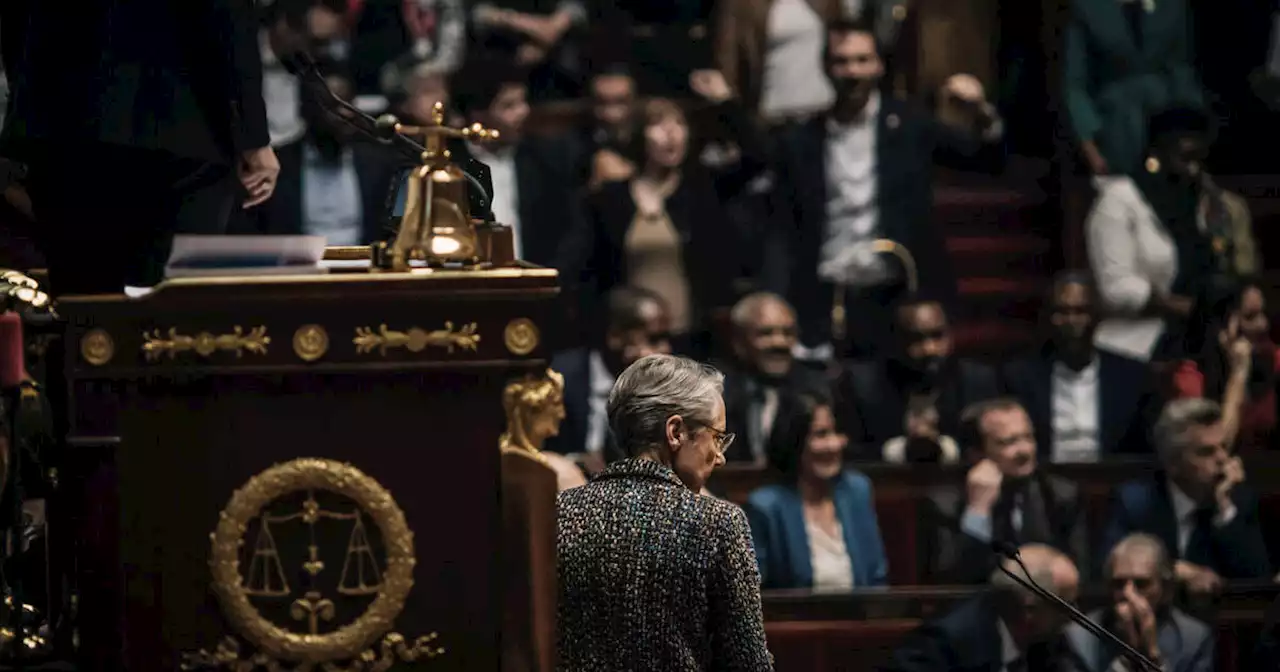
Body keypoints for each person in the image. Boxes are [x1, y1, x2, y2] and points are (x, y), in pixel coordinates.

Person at [1, 0, 279, 294]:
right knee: (172, 313)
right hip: (179, 120)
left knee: (84, 308)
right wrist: (252, 137)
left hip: (62, 119)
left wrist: (25, 100)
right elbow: (228, 13)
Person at [556, 354, 773, 670]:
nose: (720, 457)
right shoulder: (717, 523)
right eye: (717, 437)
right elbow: (748, 663)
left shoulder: (560, 513)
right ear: (676, 432)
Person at [1086, 107, 1259, 362]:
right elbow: (1116, 288)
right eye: (1185, 158)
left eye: (1200, 159)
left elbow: (1232, 268)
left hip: (1202, 343)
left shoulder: (1205, 202)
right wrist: (1189, 308)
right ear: (1156, 155)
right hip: (1136, 348)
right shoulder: (1119, 200)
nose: (1193, 169)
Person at [1102, 398, 1271, 595]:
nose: (1223, 459)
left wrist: (1226, 511)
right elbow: (1109, 566)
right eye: (1206, 452)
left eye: (1224, 447)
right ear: (1173, 463)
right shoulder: (1136, 502)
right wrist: (1178, 571)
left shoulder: (1238, 500)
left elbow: (1258, 580)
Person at [921, 398, 1086, 585]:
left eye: (1028, 437)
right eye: (1009, 442)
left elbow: (1079, 573)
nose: (1025, 450)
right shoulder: (944, 504)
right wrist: (978, 510)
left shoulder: (1060, 495)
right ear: (976, 453)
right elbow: (950, 580)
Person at [1000, 271, 1156, 461]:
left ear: (1097, 317)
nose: (1071, 321)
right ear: (1048, 318)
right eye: (1062, 312)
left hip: (1113, 480)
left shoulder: (1132, 375)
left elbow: (1143, 450)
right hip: (1045, 481)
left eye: (1081, 311)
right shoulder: (1020, 376)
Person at [744, 392, 888, 589]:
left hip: (859, 618)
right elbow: (754, 593)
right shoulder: (766, 508)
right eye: (821, 434)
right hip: (795, 619)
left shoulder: (857, 491)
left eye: (837, 433)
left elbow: (876, 577)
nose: (833, 445)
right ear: (794, 441)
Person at [886, 544, 1079, 672]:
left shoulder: (1049, 643)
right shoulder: (941, 645)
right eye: (1066, 605)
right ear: (1029, 611)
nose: (1074, 615)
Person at [1062, 533, 1214, 672]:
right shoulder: (1080, 637)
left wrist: (1153, 655)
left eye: (1141, 584)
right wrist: (1127, 659)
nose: (1128, 594)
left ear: (1165, 590)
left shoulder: (1193, 638)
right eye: (1118, 584)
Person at [720, 293, 828, 464]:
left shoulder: (821, 390)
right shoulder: (718, 393)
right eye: (765, 334)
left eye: (788, 333)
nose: (779, 342)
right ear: (739, 342)